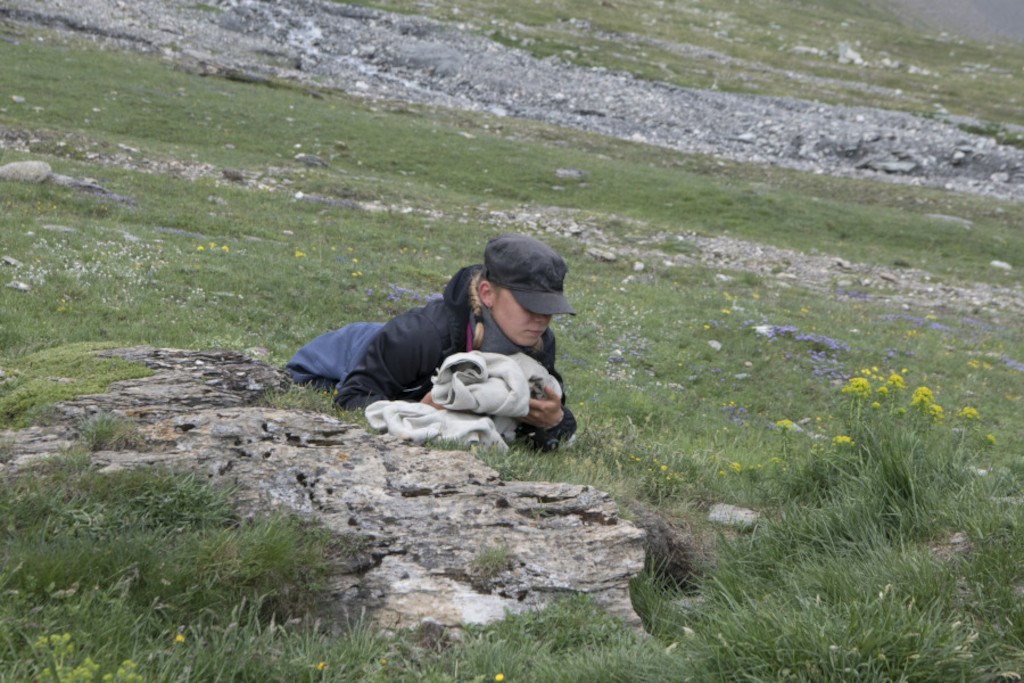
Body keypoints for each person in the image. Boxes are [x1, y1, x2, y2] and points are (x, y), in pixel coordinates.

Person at [285, 233, 577, 450]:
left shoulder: (537, 341)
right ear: (487, 294)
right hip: (322, 370)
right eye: (529, 304)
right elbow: (350, 399)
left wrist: (555, 422)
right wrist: (420, 407)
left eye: (549, 308)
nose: (541, 319)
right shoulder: (421, 334)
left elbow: (543, 421)